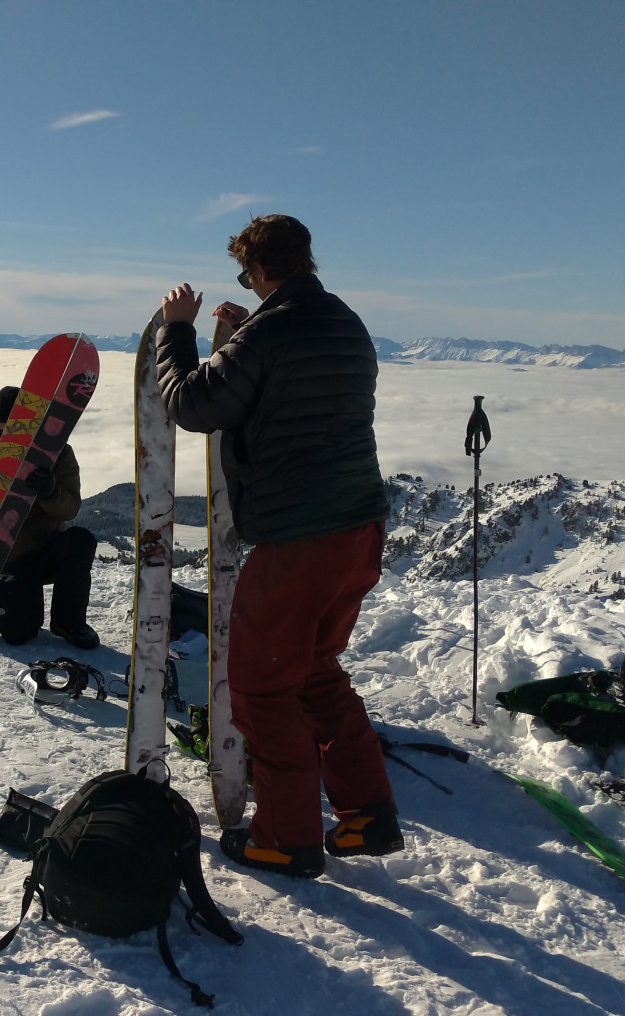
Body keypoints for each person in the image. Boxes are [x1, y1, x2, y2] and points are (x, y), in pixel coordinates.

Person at [155, 214, 398, 878]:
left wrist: (179, 329)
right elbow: (290, 384)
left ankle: (286, 838)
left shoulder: (271, 331)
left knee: (261, 684)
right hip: (360, 528)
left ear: (259, 269)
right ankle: (368, 815)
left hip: (301, 536)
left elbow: (194, 405)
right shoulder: (345, 322)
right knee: (315, 668)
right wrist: (245, 333)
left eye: (246, 273)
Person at [0, 385, 100, 650]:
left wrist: (50, 492)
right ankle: (14, 605)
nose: (5, 439)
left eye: (12, 431)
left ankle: (69, 623)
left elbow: (71, 508)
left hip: (49, 551)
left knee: (80, 541)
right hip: (9, 561)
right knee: (18, 632)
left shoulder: (58, 453)